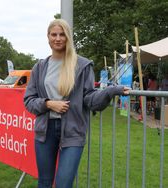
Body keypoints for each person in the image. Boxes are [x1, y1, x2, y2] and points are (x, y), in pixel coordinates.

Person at [24, 19, 129, 188]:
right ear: (48, 37)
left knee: (63, 183)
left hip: (73, 130)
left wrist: (110, 91)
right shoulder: (39, 67)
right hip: (45, 131)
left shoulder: (82, 65)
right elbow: (29, 101)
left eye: (62, 34)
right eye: (54, 34)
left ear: (68, 37)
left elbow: (89, 99)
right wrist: (49, 104)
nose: (58, 38)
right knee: (44, 182)